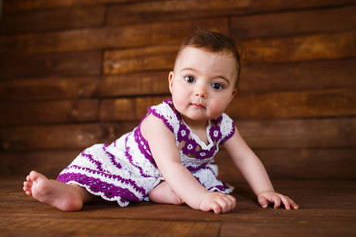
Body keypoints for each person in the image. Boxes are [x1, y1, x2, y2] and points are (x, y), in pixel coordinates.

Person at [23, 30, 299, 214]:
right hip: (130, 164)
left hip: (171, 176)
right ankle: (72, 194)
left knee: (189, 183)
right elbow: (170, 164)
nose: (200, 92)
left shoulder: (222, 125)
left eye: (217, 85)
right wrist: (202, 198)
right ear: (172, 81)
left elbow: (246, 158)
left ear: (231, 96)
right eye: (190, 79)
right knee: (107, 182)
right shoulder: (161, 120)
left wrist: (266, 190)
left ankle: (158, 191)